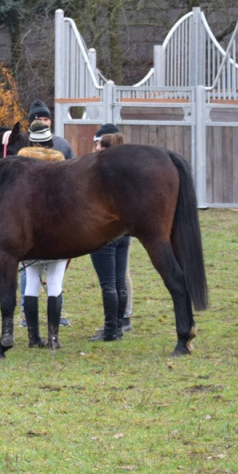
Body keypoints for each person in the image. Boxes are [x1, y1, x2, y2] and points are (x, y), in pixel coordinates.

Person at [19, 100, 75, 329]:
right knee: (54, 281)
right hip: (56, 229)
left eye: (44, 118)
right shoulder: (59, 160)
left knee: (31, 278)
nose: (42, 121)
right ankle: (52, 333)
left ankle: (33, 334)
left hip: (29, 228)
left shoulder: (20, 159)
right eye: (38, 118)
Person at [89, 124, 133, 341]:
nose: (95, 148)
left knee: (108, 284)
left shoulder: (99, 173)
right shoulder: (127, 173)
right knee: (119, 282)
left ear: (105, 148)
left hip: (104, 234)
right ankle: (119, 325)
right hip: (123, 234)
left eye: (98, 145)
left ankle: (110, 330)